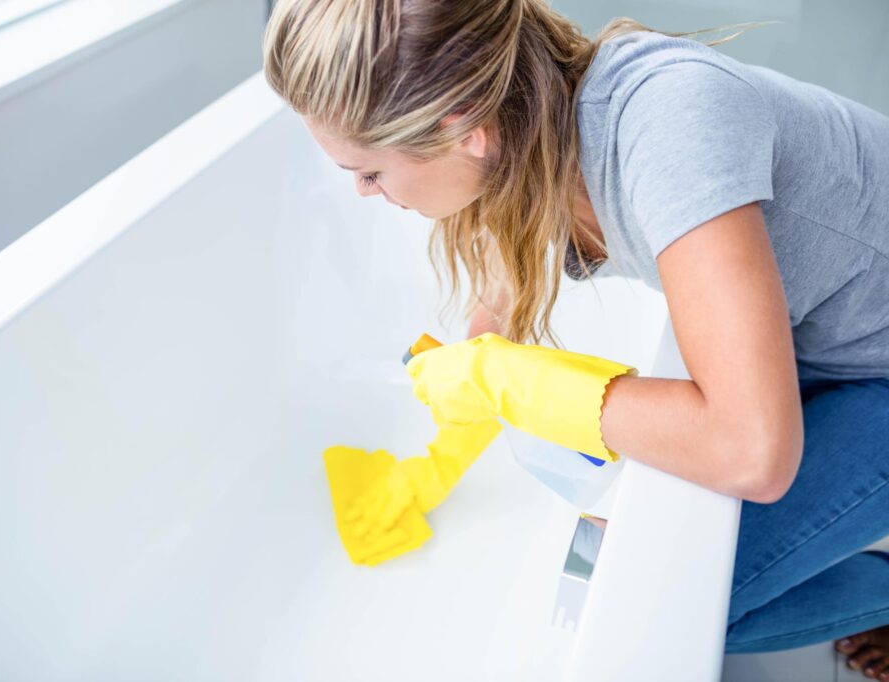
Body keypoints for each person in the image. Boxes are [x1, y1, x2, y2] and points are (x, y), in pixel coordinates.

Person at [263, 0, 889, 675]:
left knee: (675, 603)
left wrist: (506, 380)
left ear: (462, 126)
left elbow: (751, 453)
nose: (361, 192)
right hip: (824, 337)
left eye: (370, 171)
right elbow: (499, 295)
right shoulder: (532, 123)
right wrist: (470, 383)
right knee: (638, 560)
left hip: (875, 367)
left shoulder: (667, 125)